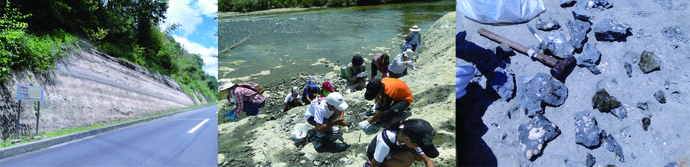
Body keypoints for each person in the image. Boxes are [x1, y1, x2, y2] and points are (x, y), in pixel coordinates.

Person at [364, 119, 439, 167]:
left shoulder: (411, 133)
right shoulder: (386, 142)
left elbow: (427, 160)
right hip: (376, 156)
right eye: (419, 145)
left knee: (419, 156)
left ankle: (397, 162)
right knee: (408, 158)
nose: (420, 147)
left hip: (398, 148)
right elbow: (375, 164)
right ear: (407, 139)